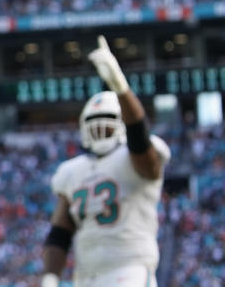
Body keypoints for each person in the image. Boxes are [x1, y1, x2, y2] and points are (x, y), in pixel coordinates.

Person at [42, 36, 170, 287]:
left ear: (122, 123)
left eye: (109, 120)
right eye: (94, 121)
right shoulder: (72, 171)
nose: (101, 127)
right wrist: (50, 277)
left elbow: (140, 143)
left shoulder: (137, 157)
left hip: (130, 269)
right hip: (87, 276)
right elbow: (60, 231)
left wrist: (120, 87)